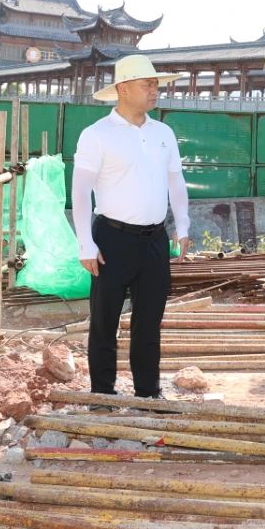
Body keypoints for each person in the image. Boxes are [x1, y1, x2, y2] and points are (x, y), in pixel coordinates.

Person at [71, 54, 192, 399]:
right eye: (147, 84)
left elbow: (176, 181)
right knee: (104, 321)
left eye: (156, 84)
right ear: (123, 88)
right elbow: (80, 192)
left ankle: (148, 393)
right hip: (112, 239)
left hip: (154, 239)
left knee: (149, 321)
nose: (154, 90)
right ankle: (102, 394)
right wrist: (85, 243)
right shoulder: (97, 135)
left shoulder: (163, 133)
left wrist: (182, 224)